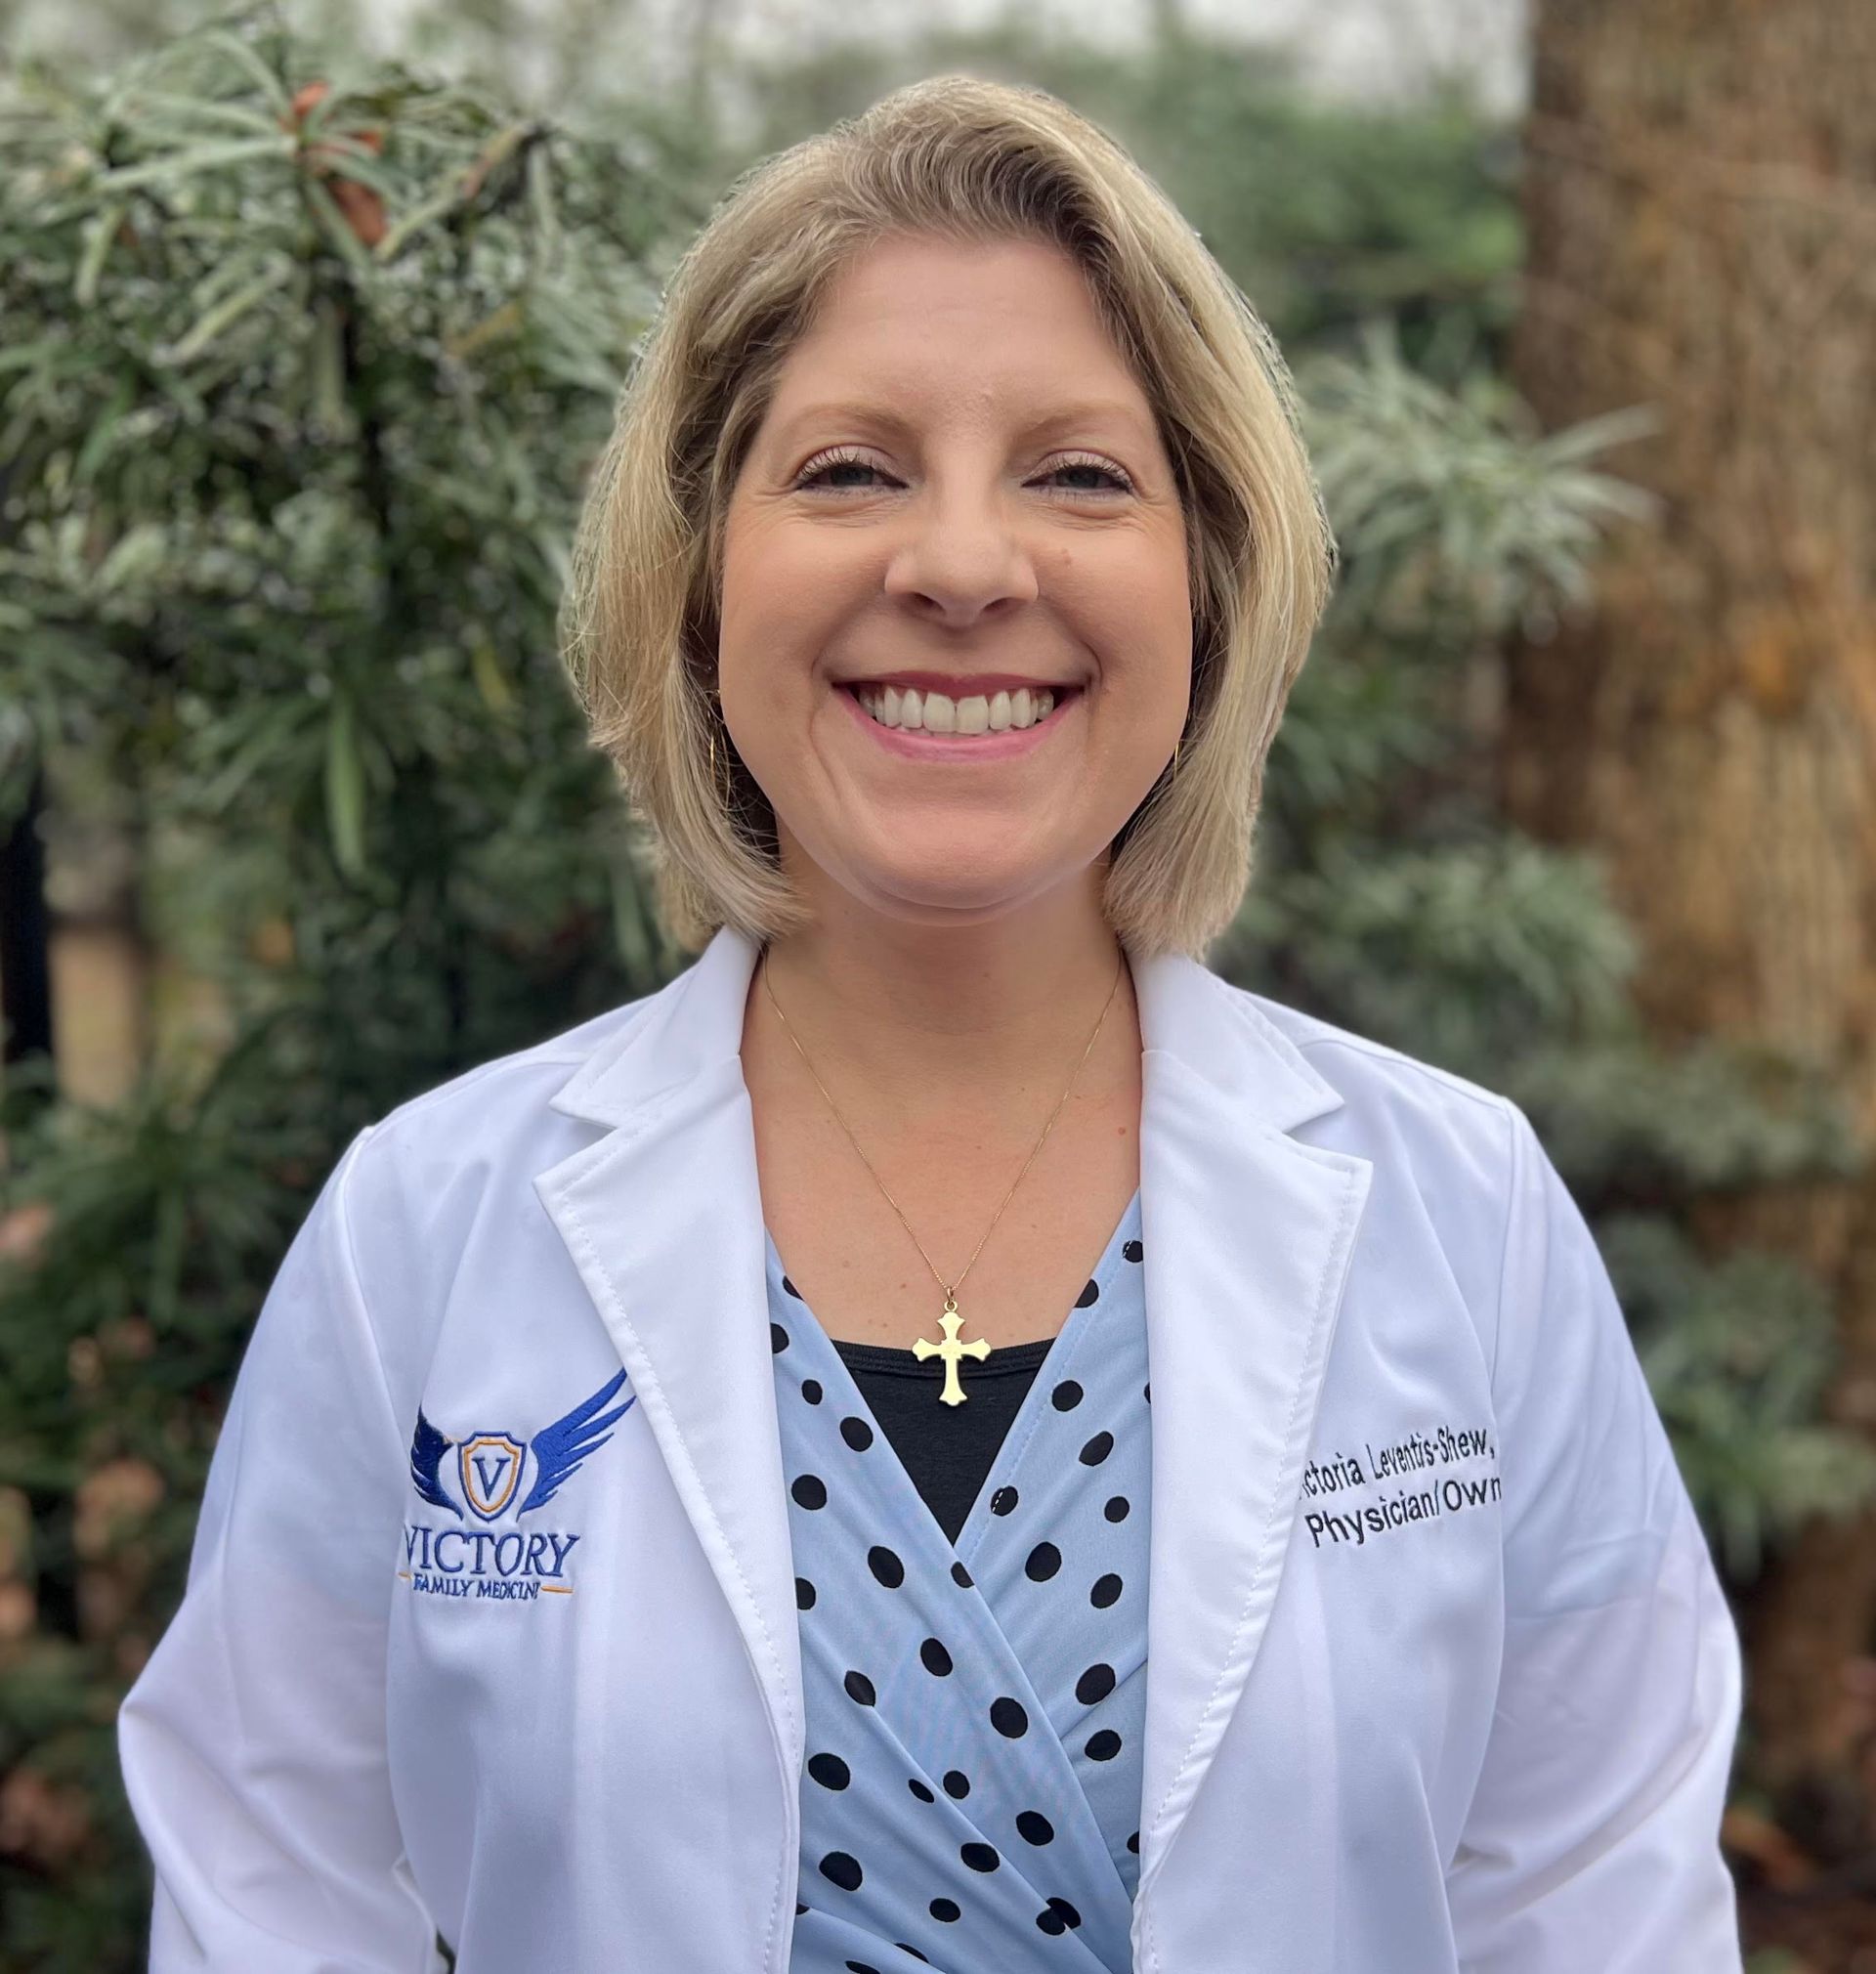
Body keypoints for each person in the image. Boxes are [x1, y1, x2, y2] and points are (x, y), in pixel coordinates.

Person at [117, 71, 1745, 1974]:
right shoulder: (429, 1226)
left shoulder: (1461, 1214)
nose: (964, 565)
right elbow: (272, 1888)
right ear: (704, 578)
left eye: (1076, 472)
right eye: (848, 467)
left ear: (1209, 586)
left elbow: (1600, 1897)